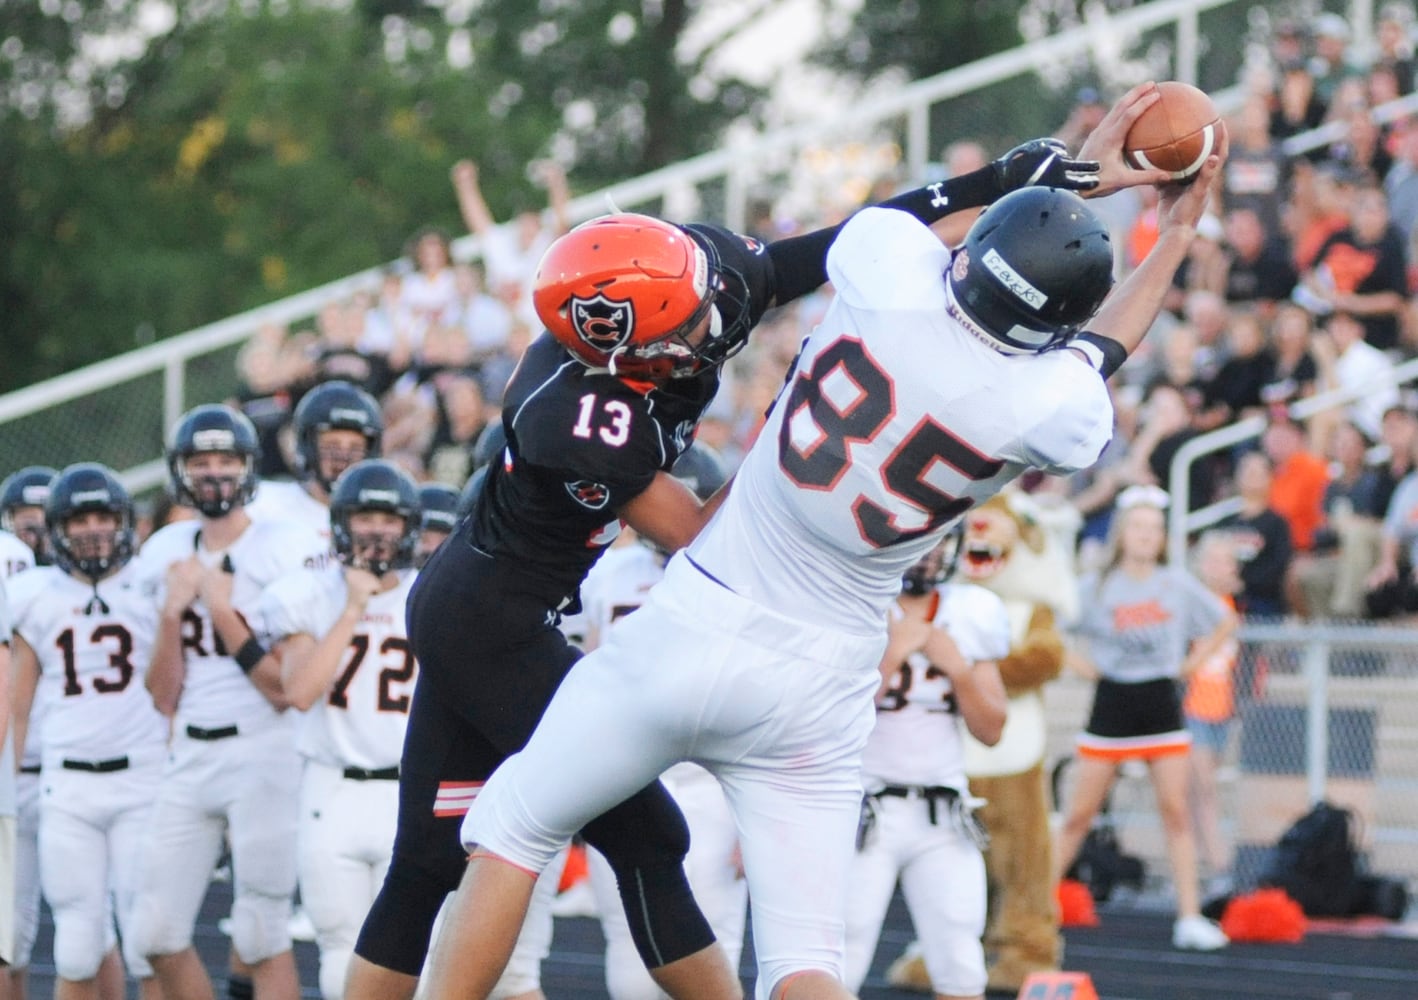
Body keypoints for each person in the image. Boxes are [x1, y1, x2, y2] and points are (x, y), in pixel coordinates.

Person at [348, 89, 1172, 1000]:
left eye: (706, 301)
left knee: (441, 855)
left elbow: (825, 252)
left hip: (652, 620)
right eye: (685, 333)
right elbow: (700, 526)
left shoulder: (704, 276)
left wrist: (1020, 182)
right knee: (618, 847)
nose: (716, 328)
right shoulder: (572, 419)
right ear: (617, 356)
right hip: (496, 612)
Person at [128, 404, 325, 1000]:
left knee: (263, 933)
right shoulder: (163, 551)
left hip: (264, 750)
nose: (213, 474)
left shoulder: (288, 546)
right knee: (153, 934)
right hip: (189, 751)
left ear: (247, 468)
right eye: (201, 462)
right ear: (180, 471)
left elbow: (283, 690)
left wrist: (217, 605)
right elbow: (162, 693)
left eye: (225, 461)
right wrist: (170, 612)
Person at [575, 444, 750, 1000]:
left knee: (717, 951)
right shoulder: (610, 573)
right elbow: (591, 679)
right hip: (626, 780)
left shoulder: (742, 577)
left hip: (708, 786)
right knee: (628, 955)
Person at [5, 464, 169, 1000]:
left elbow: (176, 690)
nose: (94, 529)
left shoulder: (151, 583)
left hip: (142, 779)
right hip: (68, 785)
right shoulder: (35, 593)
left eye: (103, 516)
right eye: (80, 519)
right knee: (75, 942)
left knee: (149, 939)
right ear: (56, 528)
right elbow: (18, 705)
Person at [1056, 486, 1238, 951]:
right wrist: (1083, 668)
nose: (1146, 536)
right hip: (1111, 702)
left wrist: (1192, 666)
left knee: (1176, 814)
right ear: (1123, 532)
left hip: (1160, 701)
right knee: (1079, 815)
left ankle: (1190, 916)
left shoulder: (1175, 583)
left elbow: (1224, 621)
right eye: (1138, 527)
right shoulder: (1095, 585)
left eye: (1154, 529)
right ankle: (1033, 909)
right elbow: (1051, 627)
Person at [842, 531, 1009, 1000]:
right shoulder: (859, 600)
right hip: (864, 810)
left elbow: (992, 729)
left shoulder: (972, 612)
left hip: (942, 812)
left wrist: (956, 667)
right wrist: (894, 653)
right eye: (921, 542)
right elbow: (831, 714)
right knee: (842, 953)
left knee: (960, 959)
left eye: (939, 542)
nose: (930, 555)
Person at [244, 379, 385, 552]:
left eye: (355, 448)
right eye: (332, 446)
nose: (343, 457)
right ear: (308, 447)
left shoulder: (385, 522)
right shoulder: (265, 504)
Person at [1181, 531, 1243, 892]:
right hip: (1195, 706)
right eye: (1215, 560)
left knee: (1203, 789)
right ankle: (1217, 865)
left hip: (1222, 707)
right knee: (1202, 788)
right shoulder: (1196, 603)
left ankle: (1203, 864)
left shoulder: (1231, 603)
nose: (1222, 567)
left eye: (1227, 561)